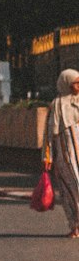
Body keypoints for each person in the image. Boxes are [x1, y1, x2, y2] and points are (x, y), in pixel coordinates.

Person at [44, 70, 79, 238]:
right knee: (69, 192)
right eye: (75, 82)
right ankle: (75, 226)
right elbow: (48, 133)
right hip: (65, 158)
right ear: (66, 83)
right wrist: (47, 156)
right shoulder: (56, 106)